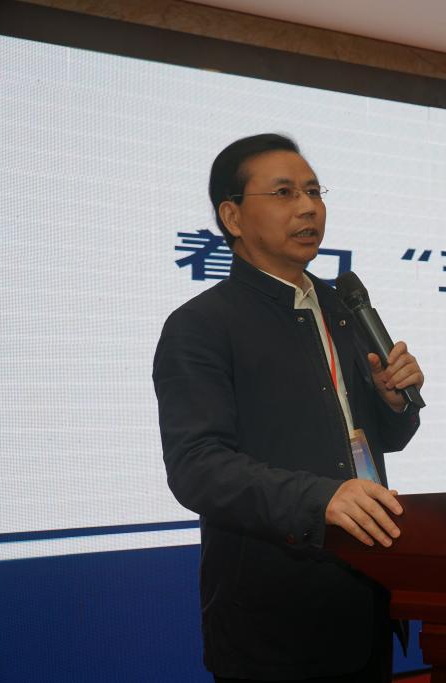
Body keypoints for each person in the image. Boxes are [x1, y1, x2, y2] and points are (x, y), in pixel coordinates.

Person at [153, 133, 424, 682]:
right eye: (284, 193)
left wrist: (392, 403)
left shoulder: (343, 307)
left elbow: (368, 439)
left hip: (364, 599)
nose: (308, 207)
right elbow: (197, 468)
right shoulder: (200, 326)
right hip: (272, 622)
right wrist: (320, 499)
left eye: (314, 191)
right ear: (232, 216)